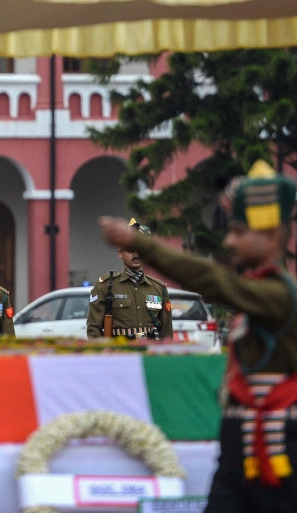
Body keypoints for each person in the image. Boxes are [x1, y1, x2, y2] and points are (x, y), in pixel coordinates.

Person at [98, 160, 297, 513]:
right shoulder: (258, 292)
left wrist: (141, 243)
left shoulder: (279, 295)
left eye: (238, 231)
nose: (229, 241)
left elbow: (213, 281)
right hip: (241, 450)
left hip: (278, 451)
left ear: (269, 236)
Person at [86, 218, 173, 340]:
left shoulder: (158, 288)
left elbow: (166, 330)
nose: (136, 255)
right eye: (130, 250)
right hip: (119, 352)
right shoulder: (106, 286)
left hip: (149, 352)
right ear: (120, 253)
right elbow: (93, 328)